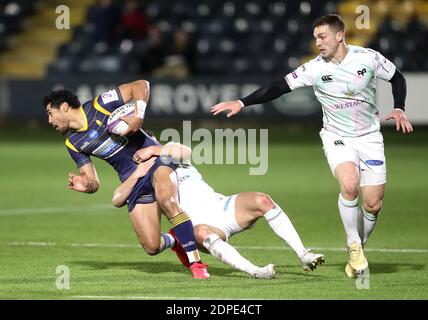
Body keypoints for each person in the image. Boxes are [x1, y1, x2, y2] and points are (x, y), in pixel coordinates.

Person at [211, 14, 413, 278]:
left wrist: (399, 107)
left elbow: (397, 78)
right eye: (315, 37)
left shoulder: (368, 57)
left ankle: (358, 247)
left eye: (322, 36)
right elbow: (278, 87)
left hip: (370, 137)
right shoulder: (314, 68)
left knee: (373, 205)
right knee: (350, 183)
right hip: (336, 136)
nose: (317, 42)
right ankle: (354, 245)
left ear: (340, 35)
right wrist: (242, 102)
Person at [43, 80, 209, 279]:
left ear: (64, 107)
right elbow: (93, 182)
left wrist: (139, 115)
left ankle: (196, 263)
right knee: (152, 246)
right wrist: (86, 185)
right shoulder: (73, 143)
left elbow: (141, 85)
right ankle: (175, 240)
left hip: (153, 160)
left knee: (167, 200)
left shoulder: (100, 105)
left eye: (50, 113)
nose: (49, 120)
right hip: (132, 179)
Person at [113, 139, 325, 279]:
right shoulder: (144, 177)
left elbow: (186, 150)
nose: (146, 152)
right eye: (142, 150)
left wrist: (155, 150)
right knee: (202, 232)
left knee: (263, 200)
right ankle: (255, 271)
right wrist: (137, 174)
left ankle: (303, 254)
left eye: (149, 144)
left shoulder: (170, 152)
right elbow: (118, 198)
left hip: (219, 205)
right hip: (195, 225)